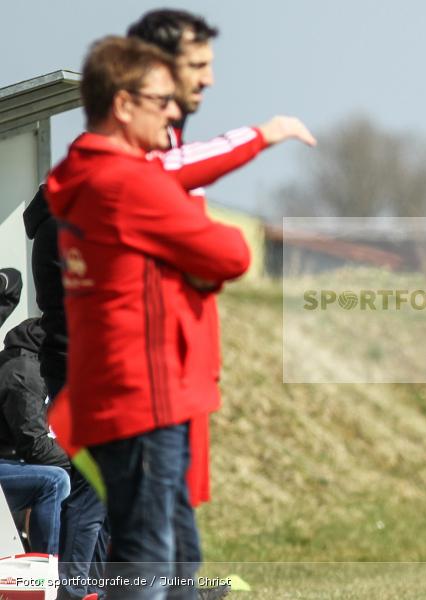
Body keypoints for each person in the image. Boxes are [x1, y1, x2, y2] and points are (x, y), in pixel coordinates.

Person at [44, 35, 264, 599]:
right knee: (147, 553)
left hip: (113, 388)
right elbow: (232, 253)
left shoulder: (80, 174)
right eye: (160, 99)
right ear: (123, 104)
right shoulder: (128, 181)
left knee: (171, 549)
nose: (172, 112)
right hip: (143, 392)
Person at [0, 317, 70, 555]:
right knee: (55, 480)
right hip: (7, 462)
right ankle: (51, 573)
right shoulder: (26, 372)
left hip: (11, 459)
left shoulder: (30, 366)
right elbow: (36, 446)